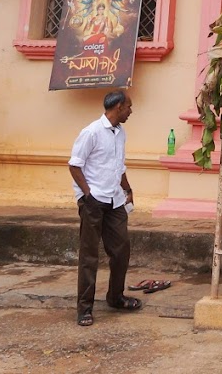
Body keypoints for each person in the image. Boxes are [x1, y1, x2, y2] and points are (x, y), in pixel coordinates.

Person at [68, 90, 142, 327]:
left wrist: (128, 190)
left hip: (115, 200)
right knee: (89, 255)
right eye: (129, 107)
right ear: (118, 107)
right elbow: (75, 165)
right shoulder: (91, 132)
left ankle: (115, 297)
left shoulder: (120, 133)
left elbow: (119, 166)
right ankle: (84, 308)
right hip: (94, 200)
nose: (131, 111)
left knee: (121, 250)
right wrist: (87, 195)